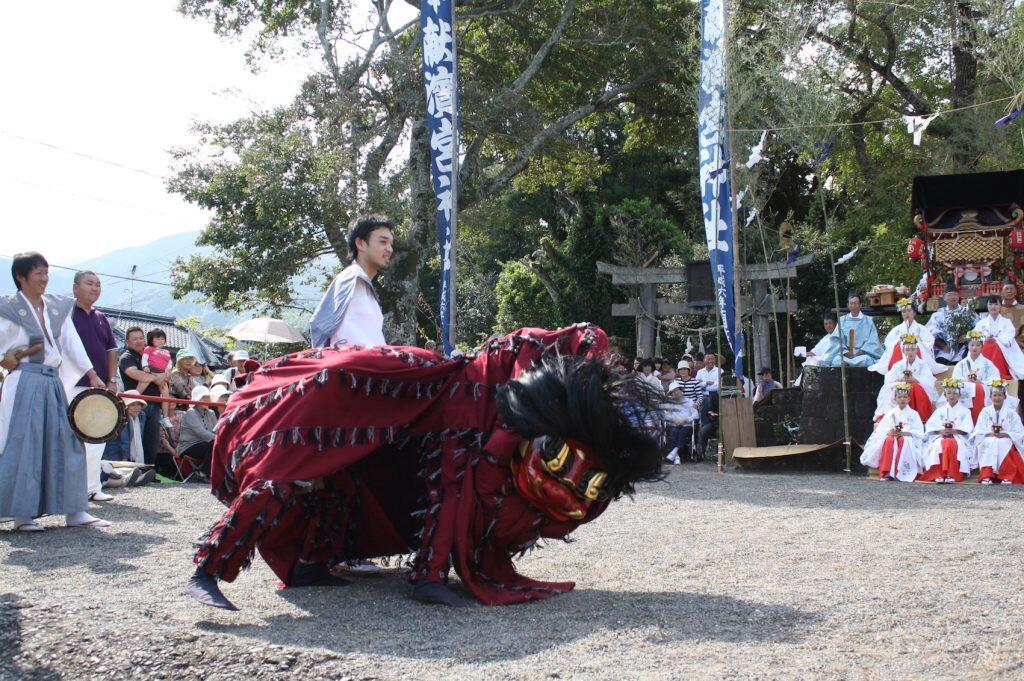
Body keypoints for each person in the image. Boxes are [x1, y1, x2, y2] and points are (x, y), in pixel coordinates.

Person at [184, 324, 666, 611]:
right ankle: (207, 569)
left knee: (352, 475)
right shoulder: (537, 363)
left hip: (456, 407)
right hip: (410, 396)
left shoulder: (557, 386)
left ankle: (313, 564)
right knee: (295, 470)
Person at [0, 252, 110, 531]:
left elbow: (71, 342)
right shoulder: (8, 307)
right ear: (20, 277)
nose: (44, 278)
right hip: (23, 379)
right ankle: (22, 515)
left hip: (52, 381)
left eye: (46, 273)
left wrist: (93, 374)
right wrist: (3, 360)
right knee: (25, 444)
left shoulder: (54, 307)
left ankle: (75, 510)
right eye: (37, 273)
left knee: (66, 442)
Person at [69, 270, 119, 502]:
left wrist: (112, 379)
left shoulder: (101, 317)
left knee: (97, 438)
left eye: (98, 285)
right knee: (70, 437)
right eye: (89, 283)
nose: (95, 288)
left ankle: (92, 487)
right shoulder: (65, 313)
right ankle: (68, 490)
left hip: (100, 385)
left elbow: (111, 350)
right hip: (71, 383)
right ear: (75, 286)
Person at [309, 214, 394, 348]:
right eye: (383, 242)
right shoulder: (352, 279)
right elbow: (351, 344)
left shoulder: (362, 283)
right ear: (360, 243)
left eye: (390, 244)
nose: (389, 249)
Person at [119, 327, 164, 465]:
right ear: (127, 341)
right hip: (135, 405)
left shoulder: (151, 354)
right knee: (135, 439)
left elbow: (165, 375)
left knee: (152, 440)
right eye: (134, 338)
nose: (139, 341)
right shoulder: (126, 357)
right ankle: (134, 470)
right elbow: (135, 374)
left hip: (155, 403)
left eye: (141, 337)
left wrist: (151, 377)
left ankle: (150, 470)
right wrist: (155, 377)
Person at [860, 384, 924, 482]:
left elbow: (919, 431)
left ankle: (902, 471)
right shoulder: (890, 413)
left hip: (907, 437)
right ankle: (887, 472)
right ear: (895, 399)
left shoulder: (914, 414)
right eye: (899, 397)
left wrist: (905, 433)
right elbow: (882, 429)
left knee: (904, 440)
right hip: (892, 436)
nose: (902, 399)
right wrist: (890, 432)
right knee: (889, 440)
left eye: (905, 397)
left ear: (909, 399)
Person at [918, 380, 974, 484]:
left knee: (951, 443)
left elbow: (968, 429)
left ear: (959, 395)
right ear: (944, 394)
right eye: (949, 393)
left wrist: (955, 431)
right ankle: (938, 474)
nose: (952, 395)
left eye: (955, 393)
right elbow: (930, 427)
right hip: (940, 436)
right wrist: (940, 431)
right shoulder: (939, 410)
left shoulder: (965, 411)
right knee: (938, 445)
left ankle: (952, 474)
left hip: (958, 437)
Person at [869, 298, 942, 375]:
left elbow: (929, 343)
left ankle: (917, 371)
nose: (907, 313)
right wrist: (899, 341)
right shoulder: (896, 330)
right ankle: (898, 372)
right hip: (898, 357)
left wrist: (918, 340)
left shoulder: (921, 329)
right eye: (904, 312)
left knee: (915, 345)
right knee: (900, 345)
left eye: (909, 311)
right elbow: (888, 343)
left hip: (918, 356)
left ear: (914, 313)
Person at [874, 336, 936, 423]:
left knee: (914, 387)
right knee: (899, 389)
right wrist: (899, 380)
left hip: (918, 389)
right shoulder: (898, 365)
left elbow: (929, 381)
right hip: (900, 386)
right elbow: (888, 380)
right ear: (903, 351)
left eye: (912, 349)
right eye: (907, 350)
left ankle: (921, 417)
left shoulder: (922, 365)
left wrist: (916, 379)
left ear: (917, 350)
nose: (910, 352)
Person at [973, 380, 1024, 485]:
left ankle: (1007, 475)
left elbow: (1019, 431)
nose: (997, 398)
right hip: (988, 438)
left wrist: (1005, 434)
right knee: (991, 442)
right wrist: (990, 434)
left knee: (1003, 442)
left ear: (1005, 397)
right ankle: (987, 475)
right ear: (990, 397)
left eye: (1000, 395)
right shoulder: (985, 411)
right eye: (994, 395)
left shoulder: (1011, 413)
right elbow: (979, 429)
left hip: (1006, 438)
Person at [952, 332, 1001, 423]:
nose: (974, 348)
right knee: (973, 388)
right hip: (965, 390)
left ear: (982, 346)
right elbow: (955, 381)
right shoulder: (961, 364)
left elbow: (995, 379)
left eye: (978, 345)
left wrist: (981, 382)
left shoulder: (988, 364)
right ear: (968, 346)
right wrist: (967, 381)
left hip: (982, 390)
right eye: (972, 345)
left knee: (978, 388)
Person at [825, 291, 883, 367]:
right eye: (851, 303)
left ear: (860, 305)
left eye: (856, 303)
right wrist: (845, 352)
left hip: (862, 354)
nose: (853, 305)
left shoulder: (868, 320)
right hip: (845, 355)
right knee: (837, 361)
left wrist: (862, 351)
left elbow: (873, 340)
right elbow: (837, 339)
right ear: (848, 305)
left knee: (867, 361)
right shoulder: (842, 320)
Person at [973, 295, 1024, 380]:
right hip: (985, 346)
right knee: (988, 345)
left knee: (995, 346)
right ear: (987, 306)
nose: (993, 307)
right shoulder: (981, 323)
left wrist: (996, 340)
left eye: (996, 304)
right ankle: (984, 374)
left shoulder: (1007, 322)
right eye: (990, 304)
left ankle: (1000, 374)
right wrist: (984, 338)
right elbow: (975, 335)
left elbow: (1009, 336)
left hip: (1004, 348)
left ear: (1000, 306)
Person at [926, 281, 977, 364]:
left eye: (955, 294)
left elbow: (978, 328)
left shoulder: (967, 312)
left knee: (962, 363)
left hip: (964, 347)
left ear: (959, 296)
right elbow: (930, 331)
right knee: (940, 363)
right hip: (945, 348)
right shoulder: (938, 315)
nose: (953, 297)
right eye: (949, 295)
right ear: (944, 297)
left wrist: (967, 336)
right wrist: (943, 345)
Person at [178, 385, 217, 476]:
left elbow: (216, 430)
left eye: (208, 397)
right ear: (197, 398)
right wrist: (220, 438)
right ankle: (203, 472)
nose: (206, 399)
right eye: (203, 397)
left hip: (205, 443)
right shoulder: (191, 412)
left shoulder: (211, 413)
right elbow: (201, 433)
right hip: (188, 446)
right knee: (214, 446)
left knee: (219, 445)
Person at [664, 380, 699, 464]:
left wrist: (685, 420)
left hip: (687, 425)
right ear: (671, 394)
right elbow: (664, 414)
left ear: (681, 390)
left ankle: (675, 452)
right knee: (675, 431)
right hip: (673, 425)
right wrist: (674, 419)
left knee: (682, 431)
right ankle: (676, 456)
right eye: (673, 392)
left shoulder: (689, 401)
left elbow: (696, 414)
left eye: (677, 390)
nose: (675, 393)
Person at [998, 279, 1024, 350]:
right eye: (1006, 289)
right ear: (1001, 292)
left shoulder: (1022, 309)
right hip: (1001, 348)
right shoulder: (996, 310)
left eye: (1011, 289)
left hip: (1020, 347)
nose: (1009, 291)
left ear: (1015, 292)